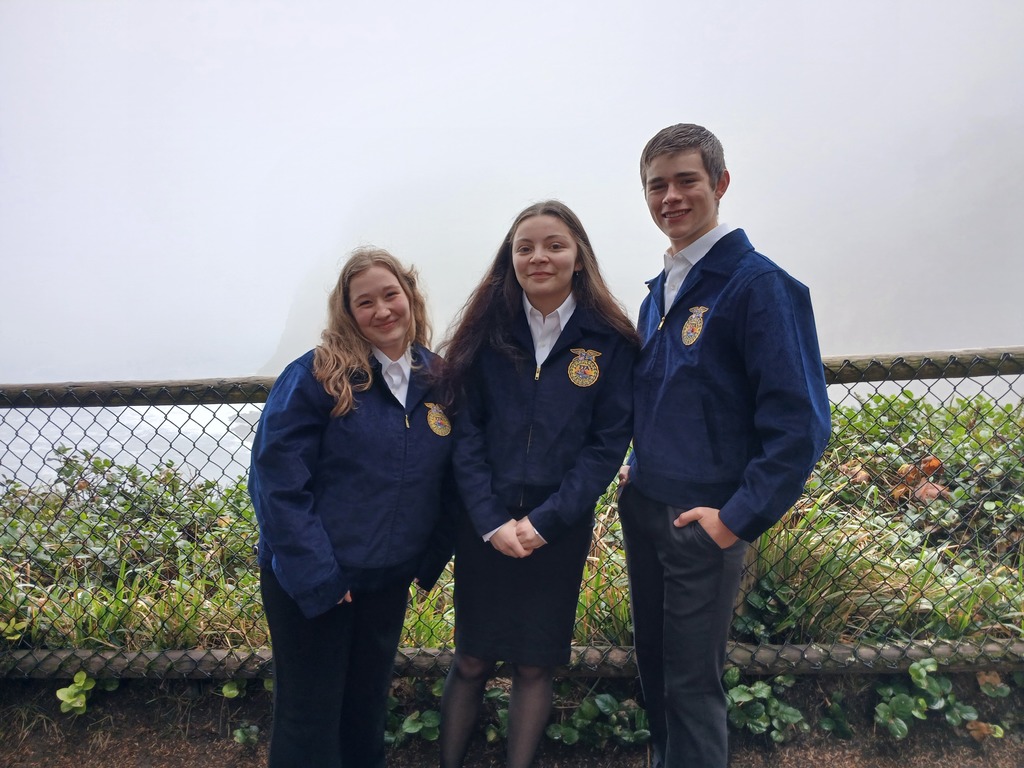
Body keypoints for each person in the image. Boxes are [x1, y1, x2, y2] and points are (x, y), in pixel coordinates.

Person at [618, 124, 831, 768]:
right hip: (646, 508)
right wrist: (635, 464)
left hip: (703, 522)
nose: (671, 197)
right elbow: (664, 397)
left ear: (721, 183)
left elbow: (800, 424)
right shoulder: (661, 291)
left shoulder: (757, 285)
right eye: (657, 185)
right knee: (655, 672)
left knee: (690, 685)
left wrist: (735, 518)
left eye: (687, 180)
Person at [437, 200, 639, 768]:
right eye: (524, 248)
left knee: (534, 665)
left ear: (579, 256)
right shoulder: (486, 333)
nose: (538, 257)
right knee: (472, 659)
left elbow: (607, 444)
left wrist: (546, 522)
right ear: (511, 259)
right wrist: (490, 519)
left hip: (558, 528)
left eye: (554, 245)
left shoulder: (610, 340)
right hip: (485, 525)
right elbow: (464, 433)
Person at [248, 247, 455, 768]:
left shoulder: (438, 378)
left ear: (410, 296)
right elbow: (277, 484)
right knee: (309, 718)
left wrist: (424, 558)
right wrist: (319, 577)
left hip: (386, 579)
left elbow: (455, 476)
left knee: (365, 709)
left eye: (390, 295)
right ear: (347, 311)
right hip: (314, 581)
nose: (382, 310)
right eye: (365, 302)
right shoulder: (316, 376)